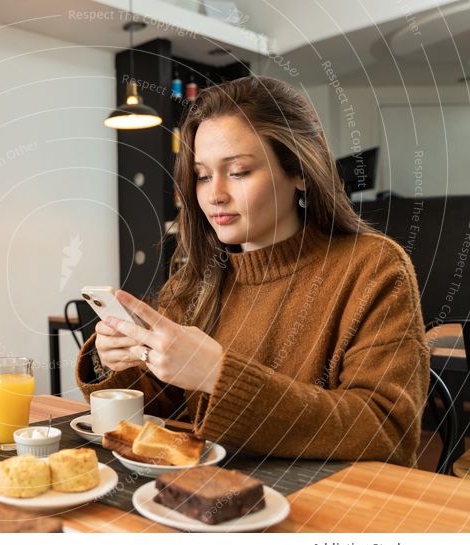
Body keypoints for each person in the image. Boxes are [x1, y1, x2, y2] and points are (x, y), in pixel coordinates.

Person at [76, 75, 429, 467]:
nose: (214, 194)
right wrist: (117, 361)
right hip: (206, 498)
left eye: (239, 171)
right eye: (203, 176)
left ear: (299, 171)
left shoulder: (374, 268)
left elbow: (386, 431)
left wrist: (217, 374)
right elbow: (165, 410)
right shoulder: (195, 281)